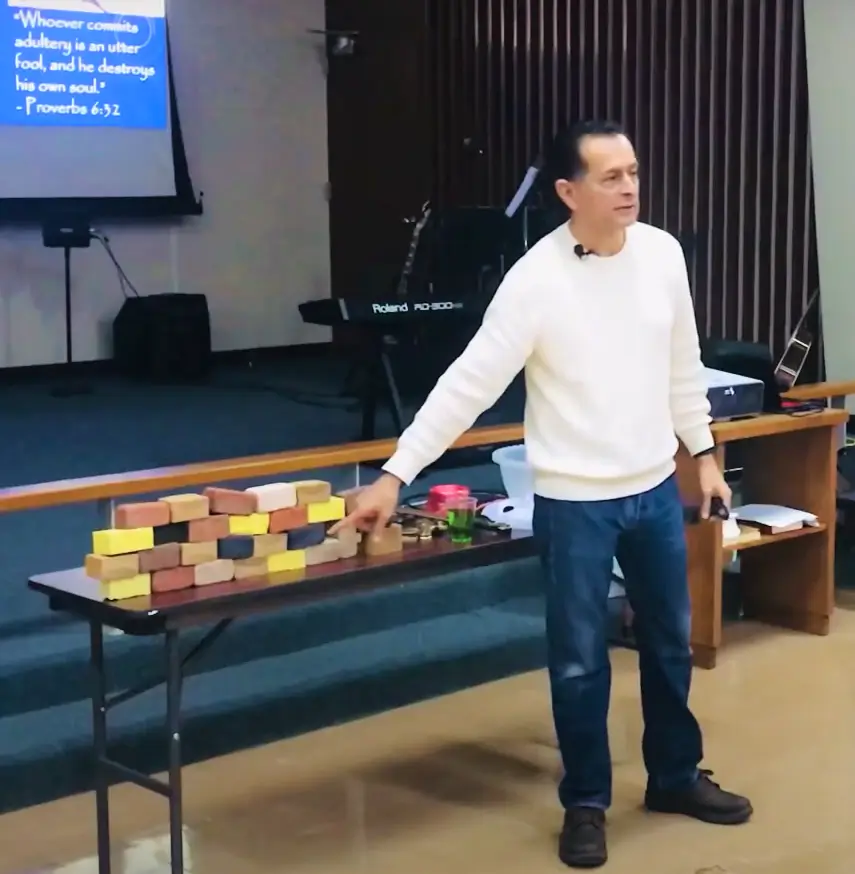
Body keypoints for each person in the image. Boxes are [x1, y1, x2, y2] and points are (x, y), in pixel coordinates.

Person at [329, 120, 753, 869]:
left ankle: (675, 777)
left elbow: (681, 367)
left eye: (631, 172)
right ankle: (585, 802)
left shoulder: (661, 256)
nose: (628, 188)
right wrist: (395, 475)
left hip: (654, 488)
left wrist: (704, 457)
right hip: (574, 501)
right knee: (580, 661)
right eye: (609, 177)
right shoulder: (535, 279)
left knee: (667, 644)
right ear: (567, 192)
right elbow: (466, 385)